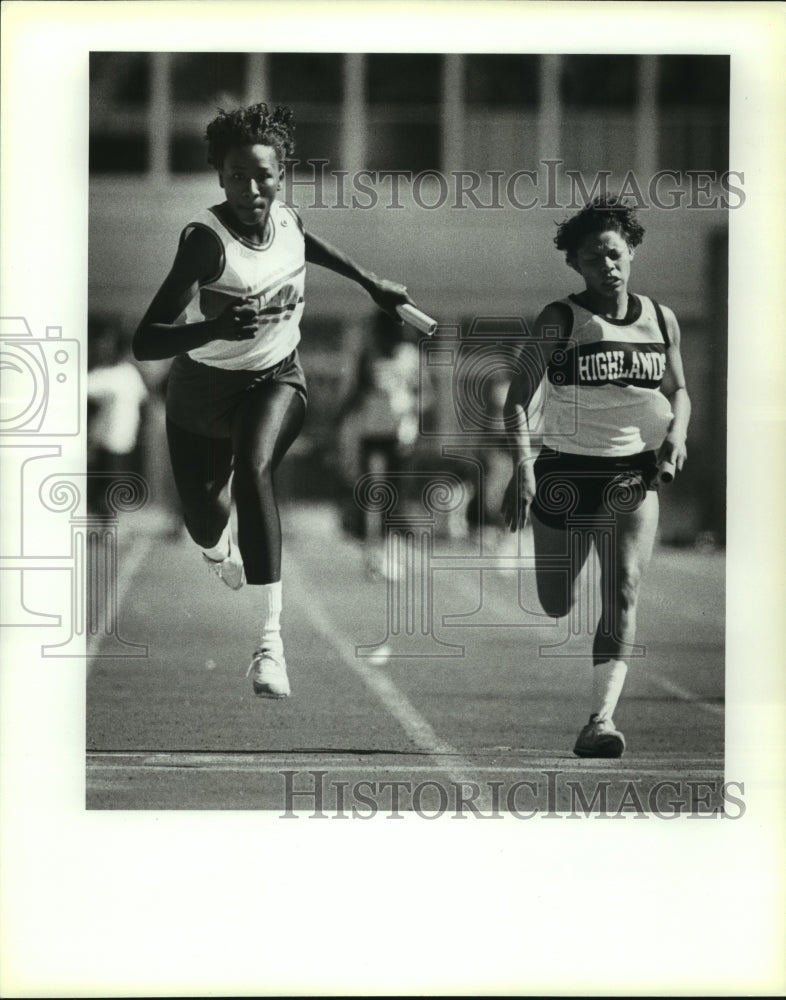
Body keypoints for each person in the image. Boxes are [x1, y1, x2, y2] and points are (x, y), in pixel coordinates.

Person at [132, 102, 416, 699]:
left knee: (254, 469)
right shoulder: (206, 245)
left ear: (282, 174)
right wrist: (212, 329)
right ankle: (218, 546)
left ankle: (270, 645)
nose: (251, 189)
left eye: (263, 176)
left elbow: (308, 244)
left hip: (276, 380)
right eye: (237, 176)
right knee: (204, 520)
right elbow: (147, 338)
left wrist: (373, 285)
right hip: (201, 392)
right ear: (219, 177)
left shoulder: (287, 219)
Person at [501, 195, 690, 758]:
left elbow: (678, 389)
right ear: (575, 267)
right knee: (557, 603)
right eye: (592, 260)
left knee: (624, 587)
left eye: (613, 255)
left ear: (631, 251)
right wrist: (524, 468)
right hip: (565, 472)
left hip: (632, 472)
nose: (606, 267)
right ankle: (572, 545)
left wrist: (676, 434)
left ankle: (600, 721)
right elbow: (515, 401)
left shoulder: (661, 318)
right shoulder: (560, 318)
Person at [87, 318, 149, 516]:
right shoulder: (103, 373)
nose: (103, 347)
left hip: (120, 442)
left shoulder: (125, 374)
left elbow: (142, 403)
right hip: (102, 440)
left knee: (112, 489)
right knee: (99, 489)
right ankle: (103, 527)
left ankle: (107, 529)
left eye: (108, 343)